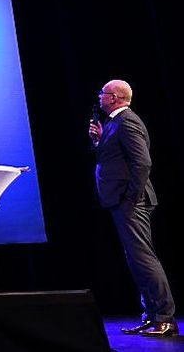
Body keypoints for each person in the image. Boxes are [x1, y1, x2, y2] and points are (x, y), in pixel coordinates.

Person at [88, 79, 177, 337]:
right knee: (136, 260)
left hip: (131, 202)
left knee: (144, 259)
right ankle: (151, 316)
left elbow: (142, 163)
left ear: (114, 97)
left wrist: (131, 197)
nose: (100, 96)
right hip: (123, 201)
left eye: (103, 93)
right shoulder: (114, 123)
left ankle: (164, 318)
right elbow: (114, 158)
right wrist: (98, 141)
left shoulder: (127, 121)